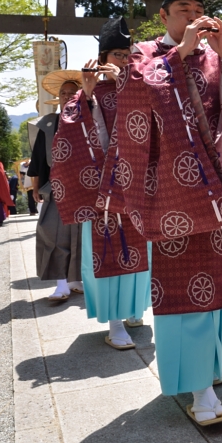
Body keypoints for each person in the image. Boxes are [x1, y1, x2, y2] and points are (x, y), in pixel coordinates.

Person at [115, 0, 222, 424]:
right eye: (182, 8)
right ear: (164, 15)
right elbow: (134, 98)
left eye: (198, 8)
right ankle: (198, 392)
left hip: (217, 191)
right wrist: (179, 53)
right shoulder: (146, 55)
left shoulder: (216, 55)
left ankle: (211, 368)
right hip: (171, 192)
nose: (192, 16)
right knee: (182, 289)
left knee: (216, 285)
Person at [52, 17, 151, 350]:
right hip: (102, 188)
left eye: (128, 55)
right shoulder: (87, 93)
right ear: (104, 57)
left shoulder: (138, 85)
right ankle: (114, 323)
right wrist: (89, 93)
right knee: (109, 253)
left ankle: (135, 309)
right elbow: (72, 132)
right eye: (118, 55)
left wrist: (132, 85)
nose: (124, 61)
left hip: (135, 183)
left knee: (140, 251)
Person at [27, 72, 84, 301]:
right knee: (52, 232)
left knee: (82, 235)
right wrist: (36, 186)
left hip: (85, 186)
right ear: (58, 98)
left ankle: (76, 279)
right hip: (55, 186)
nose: (67, 96)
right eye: (63, 93)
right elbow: (38, 157)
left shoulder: (89, 118)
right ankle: (61, 282)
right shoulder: (48, 124)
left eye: (72, 92)